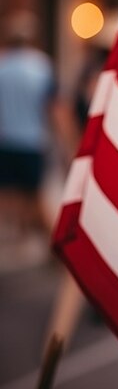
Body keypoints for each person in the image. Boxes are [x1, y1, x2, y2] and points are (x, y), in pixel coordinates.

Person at [0, 12, 57, 243]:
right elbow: (54, 108)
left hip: (6, 141)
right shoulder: (41, 67)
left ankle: (15, 237)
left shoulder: (2, 67)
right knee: (35, 195)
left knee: (8, 194)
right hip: (32, 142)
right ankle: (52, 247)